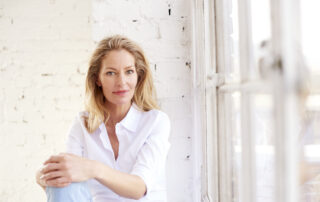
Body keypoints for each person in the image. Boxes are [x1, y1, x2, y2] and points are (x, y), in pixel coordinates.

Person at [35, 35, 171, 202]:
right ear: (97, 79)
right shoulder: (82, 124)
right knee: (62, 187)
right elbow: (67, 176)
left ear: (138, 76)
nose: (122, 82)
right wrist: (43, 176)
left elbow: (139, 188)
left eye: (129, 71)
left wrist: (94, 169)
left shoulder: (156, 122)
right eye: (111, 73)